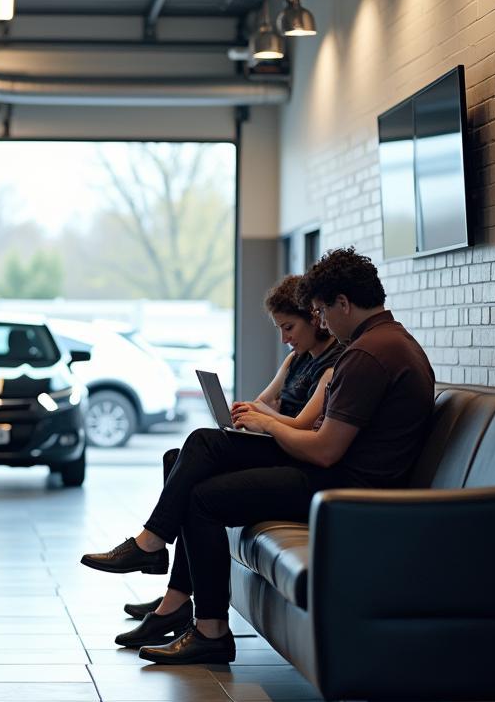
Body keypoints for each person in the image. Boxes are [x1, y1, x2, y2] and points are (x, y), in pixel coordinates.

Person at [80, 248, 435, 665]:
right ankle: (160, 557)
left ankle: (199, 615)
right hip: (345, 478)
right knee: (201, 444)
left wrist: (267, 424)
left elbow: (323, 451)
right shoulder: (388, 343)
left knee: (203, 497)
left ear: (344, 302)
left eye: (322, 310)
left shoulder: (366, 354)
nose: (322, 321)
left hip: (345, 490)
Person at [113, 275, 343, 649]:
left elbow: (302, 425)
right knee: (178, 459)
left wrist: (264, 419)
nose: (285, 337)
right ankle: (174, 597)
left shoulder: (334, 365)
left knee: (201, 454)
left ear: (315, 319)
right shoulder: (296, 360)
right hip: (279, 447)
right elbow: (265, 401)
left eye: (290, 327)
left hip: (295, 456)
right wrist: (249, 412)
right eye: (280, 329)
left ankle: (154, 550)